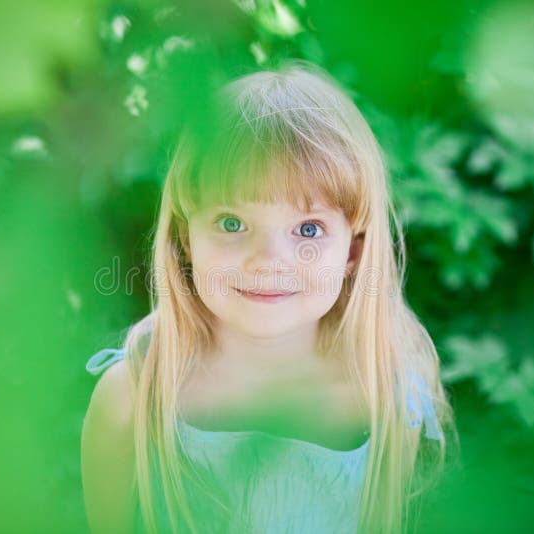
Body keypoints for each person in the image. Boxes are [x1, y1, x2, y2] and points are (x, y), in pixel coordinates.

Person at [81, 59, 456, 534]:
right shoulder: (131, 398)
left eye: (308, 228)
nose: (269, 260)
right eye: (232, 223)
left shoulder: (386, 401)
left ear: (353, 252)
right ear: (186, 240)